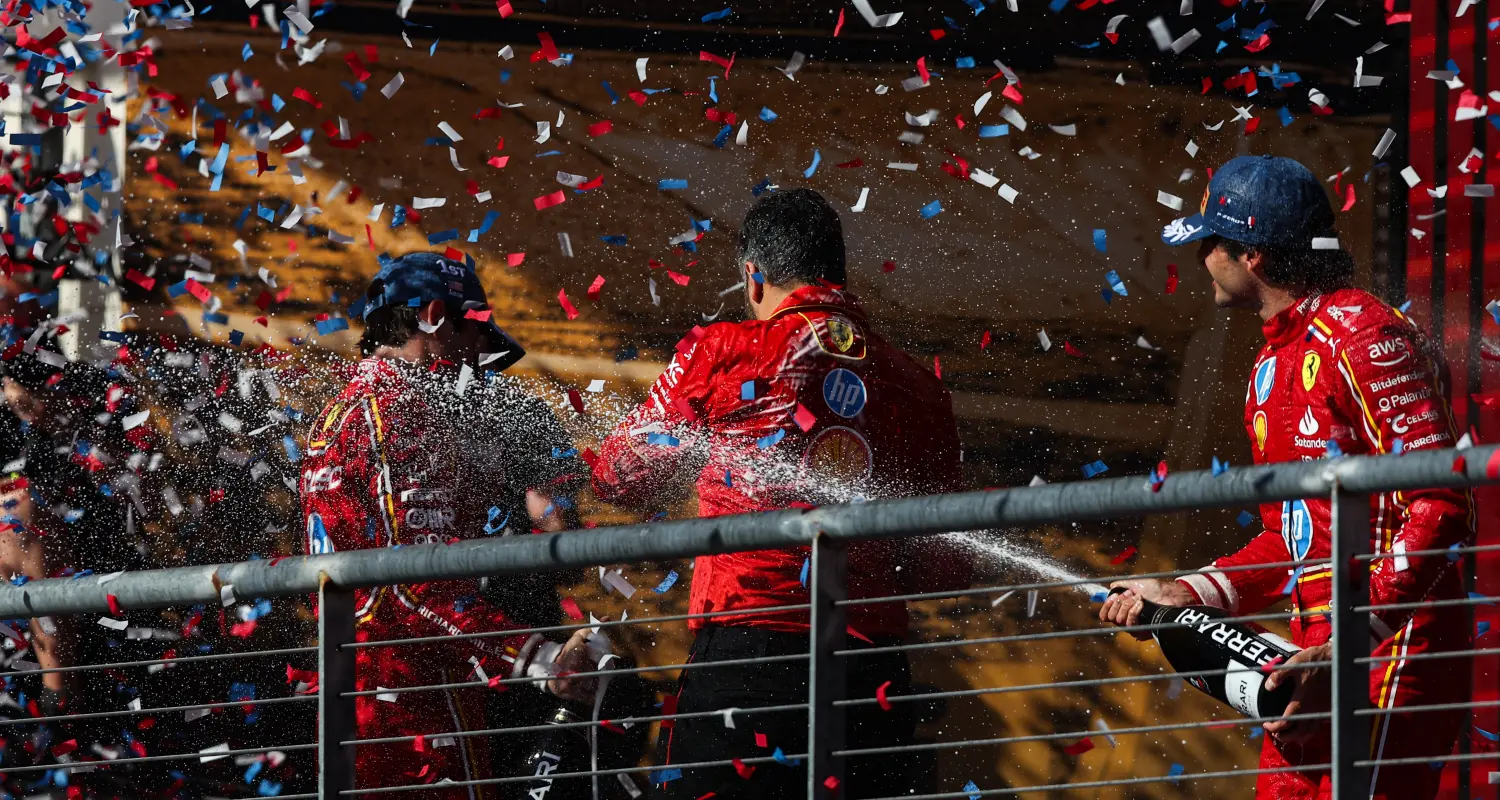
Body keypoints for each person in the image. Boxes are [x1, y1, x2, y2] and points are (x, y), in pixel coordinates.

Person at [1101, 155, 1474, 799]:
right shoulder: (1270, 367)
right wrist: (1187, 591)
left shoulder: (1366, 333)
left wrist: (1349, 644)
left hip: (1387, 655)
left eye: (1210, 242)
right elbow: (1288, 537)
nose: (1201, 259)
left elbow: (1442, 501)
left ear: (1252, 256)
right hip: (1311, 660)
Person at [590, 189, 972, 799]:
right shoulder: (917, 387)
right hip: (872, 672)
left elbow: (620, 474)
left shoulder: (724, 349)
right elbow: (946, 563)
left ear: (754, 275)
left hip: (749, 656)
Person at [299, 252, 602, 798]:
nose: (478, 359)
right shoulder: (403, 417)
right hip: (413, 706)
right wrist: (541, 660)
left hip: (358, 694)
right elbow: (418, 587)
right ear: (435, 317)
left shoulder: (342, 409)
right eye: (476, 335)